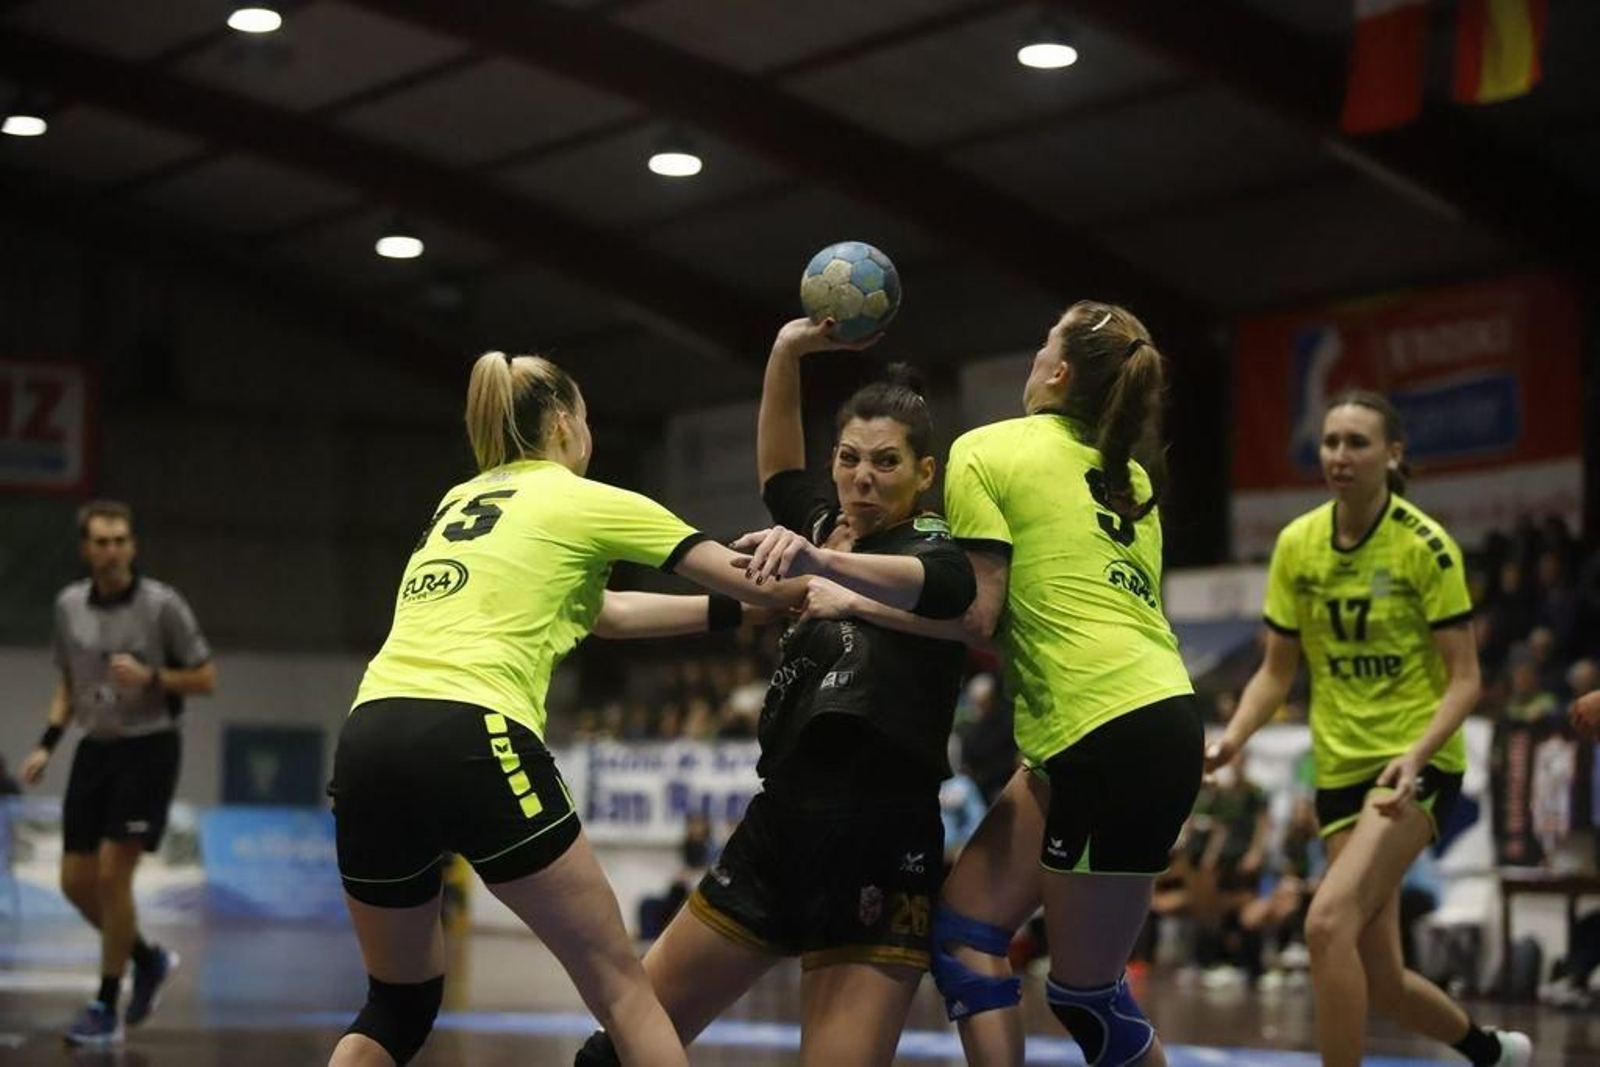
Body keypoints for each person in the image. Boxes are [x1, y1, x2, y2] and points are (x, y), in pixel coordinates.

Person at [328, 349, 944, 1067]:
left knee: (397, 1004)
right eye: (584, 418)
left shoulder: (458, 501)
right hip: (472, 732)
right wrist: (811, 571)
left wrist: (734, 616)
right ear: (564, 422)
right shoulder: (585, 498)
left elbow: (605, 613)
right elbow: (756, 580)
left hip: (368, 734)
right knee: (623, 992)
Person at [789, 301, 1205, 1067]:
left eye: (1043, 337)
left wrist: (850, 595)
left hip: (1100, 730)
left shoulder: (988, 449)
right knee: (967, 931)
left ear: (1058, 371)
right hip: (1152, 715)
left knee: (1085, 994)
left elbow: (978, 615)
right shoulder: (1130, 477)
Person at [576, 317, 975, 1067]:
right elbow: (778, 476)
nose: (863, 477)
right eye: (851, 459)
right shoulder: (827, 525)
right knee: (615, 1051)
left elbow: (951, 593)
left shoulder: (931, 546)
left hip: (879, 841)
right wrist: (786, 353)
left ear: (924, 473)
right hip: (779, 829)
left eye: (887, 462)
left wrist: (831, 574)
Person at [1207, 390, 1531, 1067]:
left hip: (1413, 767)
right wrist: (1235, 734)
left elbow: (1467, 678)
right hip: (1339, 772)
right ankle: (1493, 1051)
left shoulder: (1425, 546)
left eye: (1357, 441)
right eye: (1329, 441)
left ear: (1393, 453)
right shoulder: (1297, 545)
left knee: (1325, 923)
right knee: (1378, 975)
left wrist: (1415, 755)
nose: (1340, 455)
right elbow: (1275, 672)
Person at [18, 499, 216, 1047]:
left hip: (149, 747)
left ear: (132, 546)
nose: (111, 551)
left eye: (120, 540)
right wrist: (47, 744)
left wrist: (153, 676)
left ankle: (106, 1004)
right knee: (74, 883)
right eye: (100, 542)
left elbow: (204, 677)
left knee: (112, 874)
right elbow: (68, 684)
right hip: (95, 747)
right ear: (85, 549)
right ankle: (148, 958)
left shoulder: (162, 606)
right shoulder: (68, 607)